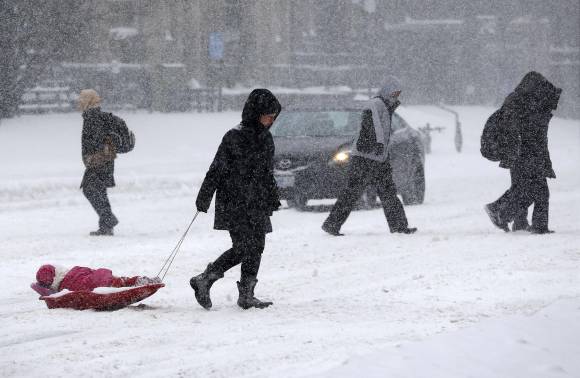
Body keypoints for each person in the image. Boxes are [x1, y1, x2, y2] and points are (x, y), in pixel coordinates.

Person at [190, 89, 282, 310]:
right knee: (242, 247)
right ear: (255, 112)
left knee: (257, 246)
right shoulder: (234, 136)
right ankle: (205, 279)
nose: (270, 120)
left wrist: (272, 196)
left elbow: (266, 172)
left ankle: (247, 294)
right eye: (267, 115)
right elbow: (217, 168)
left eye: (273, 116)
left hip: (257, 201)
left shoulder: (266, 138)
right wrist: (204, 196)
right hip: (234, 200)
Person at [321, 76, 417, 236]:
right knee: (356, 192)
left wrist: (381, 150)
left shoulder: (385, 106)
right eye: (395, 92)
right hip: (365, 157)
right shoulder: (375, 104)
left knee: (384, 192)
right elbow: (371, 126)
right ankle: (332, 224)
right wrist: (377, 145)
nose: (396, 96)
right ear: (387, 90)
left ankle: (399, 226)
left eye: (398, 94)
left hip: (378, 157)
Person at [485, 71, 562, 234]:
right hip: (524, 154)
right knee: (534, 191)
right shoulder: (526, 104)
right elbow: (525, 134)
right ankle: (501, 212)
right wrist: (519, 153)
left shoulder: (524, 101)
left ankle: (514, 219)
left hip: (524, 154)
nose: (551, 107)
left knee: (524, 189)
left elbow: (536, 137)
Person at [79, 89, 120, 236]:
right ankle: (106, 225)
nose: (79, 101)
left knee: (90, 189)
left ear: (88, 101)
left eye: (82, 99)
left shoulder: (92, 116)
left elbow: (95, 140)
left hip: (99, 161)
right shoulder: (93, 115)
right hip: (103, 160)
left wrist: (91, 156)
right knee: (98, 191)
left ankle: (108, 220)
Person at [32, 264, 160, 295]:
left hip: (97, 284)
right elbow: (88, 270)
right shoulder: (73, 270)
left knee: (118, 285)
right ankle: (140, 280)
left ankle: (137, 283)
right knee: (122, 281)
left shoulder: (64, 287)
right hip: (100, 277)